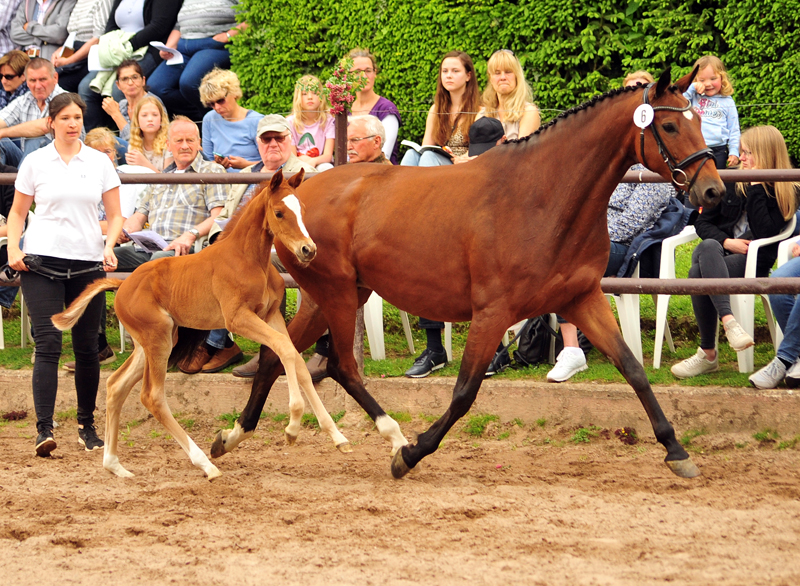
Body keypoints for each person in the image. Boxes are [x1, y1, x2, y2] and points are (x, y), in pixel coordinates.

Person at [5, 92, 123, 457]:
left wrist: (109, 246)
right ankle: (44, 429)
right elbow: (18, 213)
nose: (73, 124)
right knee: (48, 345)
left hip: (88, 263)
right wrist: (13, 249)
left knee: (87, 348)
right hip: (41, 263)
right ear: (51, 122)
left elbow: (115, 214)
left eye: (78, 118)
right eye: (66, 118)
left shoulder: (99, 162)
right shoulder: (35, 161)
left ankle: (87, 426)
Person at [183, 114, 316, 376]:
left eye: (279, 138)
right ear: (258, 143)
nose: (273, 144)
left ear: (290, 140)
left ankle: (225, 345)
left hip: (283, 246)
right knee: (217, 261)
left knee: (248, 267)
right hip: (238, 249)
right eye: (266, 139)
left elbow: (303, 220)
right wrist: (218, 241)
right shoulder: (245, 174)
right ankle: (208, 343)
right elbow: (225, 216)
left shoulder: (304, 173)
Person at [671, 125, 799, 379]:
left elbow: (765, 232)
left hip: (753, 261)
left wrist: (756, 188)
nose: (741, 158)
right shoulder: (729, 180)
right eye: (741, 151)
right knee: (707, 247)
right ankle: (729, 322)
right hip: (721, 253)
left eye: (748, 152)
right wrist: (727, 241)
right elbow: (702, 222)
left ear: (766, 154)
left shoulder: (785, 188)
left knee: (697, 272)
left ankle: (708, 353)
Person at [401, 50, 481, 378]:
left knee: (426, 164)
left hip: (466, 185)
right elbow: (425, 146)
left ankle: (410, 214)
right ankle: (405, 217)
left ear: (467, 75)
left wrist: (463, 161)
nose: (447, 76)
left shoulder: (481, 109)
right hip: (434, 176)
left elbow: (489, 155)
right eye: (444, 71)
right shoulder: (438, 108)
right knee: (412, 159)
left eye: (454, 70)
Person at [301, 115, 391, 381]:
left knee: (329, 275)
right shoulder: (345, 174)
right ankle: (275, 348)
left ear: (376, 142)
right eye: (346, 140)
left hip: (368, 259)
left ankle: (324, 351)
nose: (348, 146)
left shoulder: (387, 174)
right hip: (333, 249)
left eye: (354, 140)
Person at [77, 0, 182, 131]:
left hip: (146, 48)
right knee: (86, 88)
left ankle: (132, 137)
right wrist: (114, 46)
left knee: (120, 90)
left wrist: (129, 45)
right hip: (117, 49)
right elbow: (110, 26)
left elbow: (159, 26)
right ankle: (97, 140)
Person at [147, 0, 246, 121]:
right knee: (156, 87)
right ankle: (199, 118)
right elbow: (180, 25)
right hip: (183, 46)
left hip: (213, 44)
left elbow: (252, 16)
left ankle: (218, 120)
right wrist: (170, 45)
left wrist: (228, 35)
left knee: (189, 82)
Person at [0, 57, 66, 165]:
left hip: (61, 162)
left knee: (36, 142)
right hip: (27, 159)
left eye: (42, 79)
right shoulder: (25, 100)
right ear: (26, 81)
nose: (38, 86)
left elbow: (44, 126)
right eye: (32, 80)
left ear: (55, 78)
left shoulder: (66, 99)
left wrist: (3, 132)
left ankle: (21, 181)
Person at [683, 55, 740, 170]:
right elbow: (679, 104)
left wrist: (734, 151)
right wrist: (692, 88)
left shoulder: (727, 101)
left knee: (718, 182)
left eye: (713, 79)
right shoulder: (692, 97)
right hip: (694, 148)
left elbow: (734, 130)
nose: (708, 84)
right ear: (695, 80)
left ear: (722, 78)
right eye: (702, 80)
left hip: (719, 150)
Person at [198, 68, 261, 171]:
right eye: (211, 104)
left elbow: (273, 164)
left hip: (253, 179)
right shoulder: (209, 119)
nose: (217, 107)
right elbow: (207, 161)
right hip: (221, 181)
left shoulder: (256, 120)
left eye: (221, 101)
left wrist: (245, 165)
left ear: (234, 93)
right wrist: (219, 164)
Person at [348, 47, 401, 164]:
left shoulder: (386, 109)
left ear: (374, 73)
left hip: (380, 172)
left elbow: (384, 153)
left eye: (368, 71)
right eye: (357, 72)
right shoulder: (345, 110)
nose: (363, 76)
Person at [50, 0, 113, 92]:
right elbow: (73, 34)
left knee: (61, 84)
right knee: (49, 80)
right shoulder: (79, 2)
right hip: (73, 50)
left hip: (92, 56)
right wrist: (60, 51)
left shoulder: (102, 1)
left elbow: (98, 38)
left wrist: (68, 61)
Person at [479, 49, 540, 140]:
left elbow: (522, 151)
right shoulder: (483, 114)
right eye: (497, 73)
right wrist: (451, 154)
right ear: (490, 78)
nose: (503, 77)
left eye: (508, 72)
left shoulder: (528, 112)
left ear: (517, 76)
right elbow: (472, 153)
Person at [100, 59, 161, 142]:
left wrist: (115, 114)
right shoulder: (122, 105)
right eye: (124, 79)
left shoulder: (153, 103)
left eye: (135, 77)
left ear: (143, 81)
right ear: (118, 85)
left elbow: (138, 143)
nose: (130, 83)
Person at [287, 74, 334, 171]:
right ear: (298, 97)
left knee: (327, 168)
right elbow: (292, 157)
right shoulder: (290, 122)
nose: (309, 97)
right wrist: (304, 161)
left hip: (321, 164)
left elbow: (328, 156)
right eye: (304, 94)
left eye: (314, 93)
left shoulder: (328, 120)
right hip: (298, 164)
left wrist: (314, 161)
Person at [10, 0, 76, 61]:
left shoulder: (67, 1)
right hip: (24, 59)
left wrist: (30, 27)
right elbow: (14, 33)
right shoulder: (27, 1)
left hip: (49, 61)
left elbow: (60, 34)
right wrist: (46, 40)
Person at [125, 94, 170, 171]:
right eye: (144, 115)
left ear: (161, 119)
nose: (150, 119)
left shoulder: (169, 144)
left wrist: (144, 163)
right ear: (137, 120)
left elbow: (168, 181)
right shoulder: (133, 146)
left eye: (155, 115)